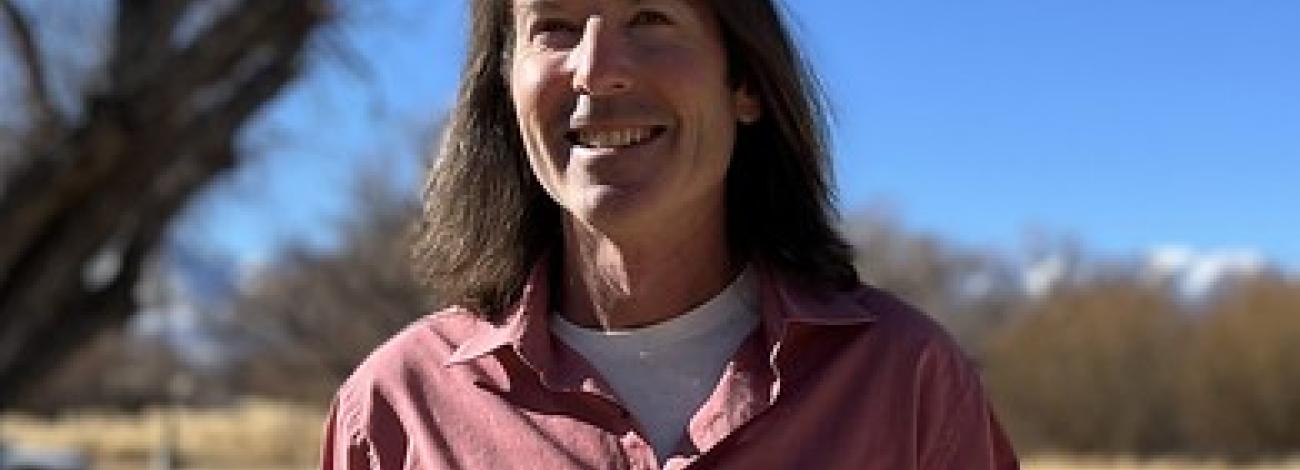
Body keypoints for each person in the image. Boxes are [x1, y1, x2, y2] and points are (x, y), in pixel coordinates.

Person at [321, 0, 1019, 468]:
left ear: (745, 82)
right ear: (506, 86)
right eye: (554, 26)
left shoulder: (904, 380)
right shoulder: (397, 407)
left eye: (650, 17)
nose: (597, 71)